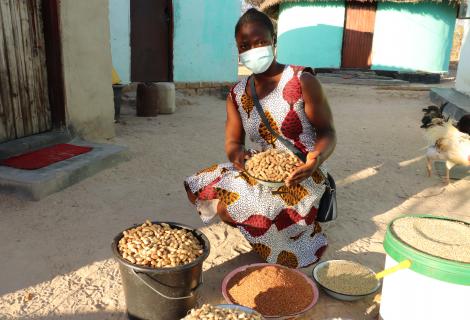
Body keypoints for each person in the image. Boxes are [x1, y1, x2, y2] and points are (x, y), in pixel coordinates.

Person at [184, 8, 336, 268]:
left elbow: (327, 132)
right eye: (245, 45)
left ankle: (288, 231)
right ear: (238, 50)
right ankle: (260, 220)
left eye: (260, 42)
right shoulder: (238, 93)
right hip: (262, 168)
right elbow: (233, 142)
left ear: (273, 41)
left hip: (303, 172)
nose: (253, 50)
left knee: (233, 207)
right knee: (203, 183)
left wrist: (316, 159)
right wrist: (238, 156)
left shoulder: (302, 80)